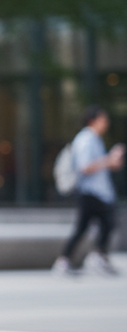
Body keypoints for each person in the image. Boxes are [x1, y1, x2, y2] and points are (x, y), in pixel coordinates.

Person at [55, 106, 124, 277]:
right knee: (101, 224)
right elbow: (85, 167)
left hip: (97, 192)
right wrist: (109, 160)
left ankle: (86, 258)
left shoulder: (95, 139)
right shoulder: (86, 139)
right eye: (103, 119)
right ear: (93, 120)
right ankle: (82, 259)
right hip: (89, 192)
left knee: (98, 225)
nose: (106, 123)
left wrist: (111, 162)